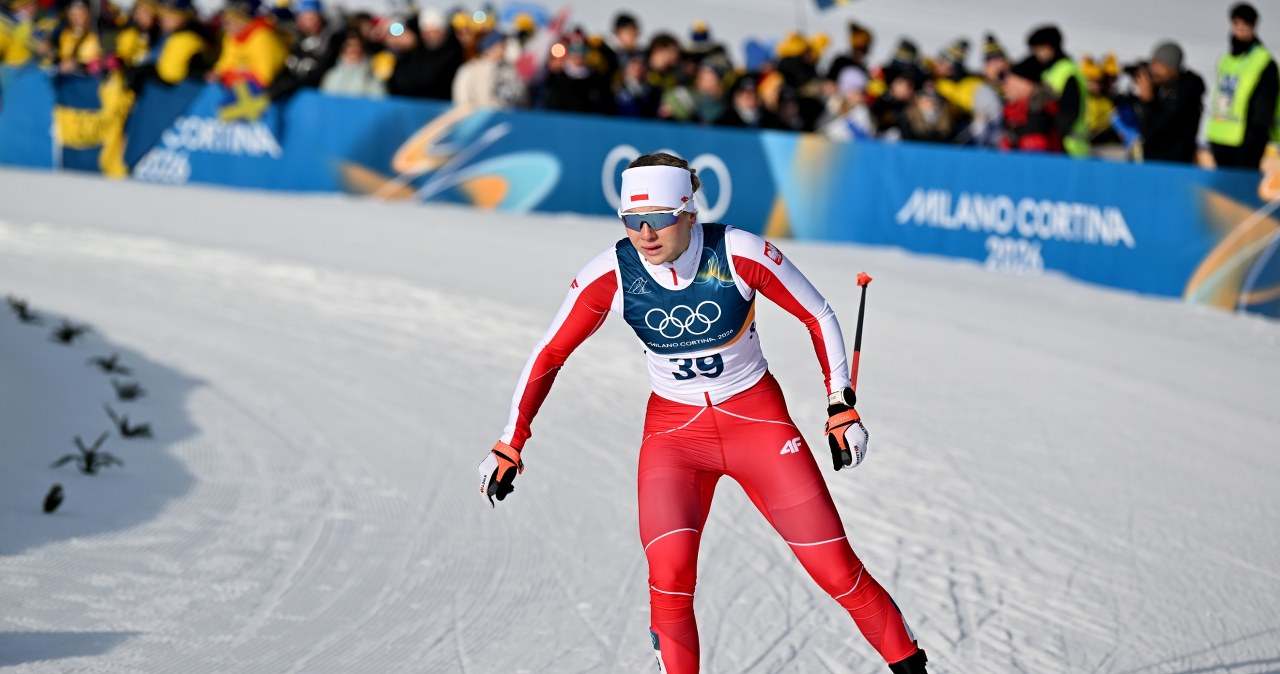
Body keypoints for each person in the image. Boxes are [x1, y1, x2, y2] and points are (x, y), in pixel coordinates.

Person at [478, 152, 929, 674]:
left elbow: (818, 314)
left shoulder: (737, 251)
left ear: (689, 211)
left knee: (834, 569)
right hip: (675, 438)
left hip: (757, 424)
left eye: (660, 218)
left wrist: (839, 405)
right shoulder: (611, 272)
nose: (645, 234)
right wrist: (511, 441)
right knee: (668, 578)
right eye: (632, 220)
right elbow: (549, 353)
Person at [1207, 2, 1279, 170]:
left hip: (1247, 143)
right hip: (1221, 138)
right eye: (1237, 24)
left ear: (1254, 27)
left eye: (1246, 25)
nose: (1241, 29)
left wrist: (1255, 137)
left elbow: (1264, 107)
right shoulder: (1226, 59)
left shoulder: (1264, 61)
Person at [1132, 42, 1205, 164]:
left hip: (1174, 165)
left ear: (1172, 68)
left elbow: (1157, 132)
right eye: (1152, 64)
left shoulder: (1185, 94)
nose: (1152, 71)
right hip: (1152, 162)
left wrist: (1148, 102)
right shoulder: (1161, 89)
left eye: (1158, 65)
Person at [1027, 24, 1090, 157]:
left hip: (1070, 150)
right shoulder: (1051, 72)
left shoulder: (1067, 73)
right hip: (1057, 148)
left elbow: (1069, 114)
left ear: (1049, 48)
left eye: (1038, 50)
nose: (1035, 55)